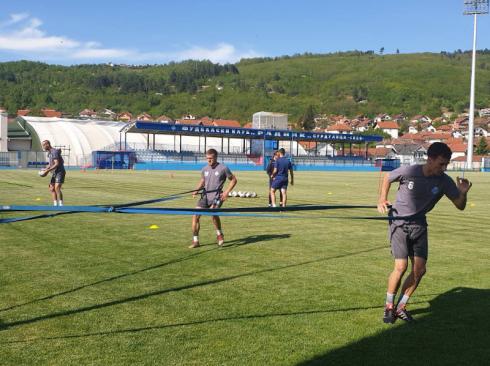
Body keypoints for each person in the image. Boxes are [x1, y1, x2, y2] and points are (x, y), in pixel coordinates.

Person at [377, 142, 472, 323]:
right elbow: (388, 177)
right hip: (399, 223)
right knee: (401, 267)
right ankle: (389, 306)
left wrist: (463, 193)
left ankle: (401, 307)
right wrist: (382, 198)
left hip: (419, 225)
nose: (444, 168)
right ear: (430, 159)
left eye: (446, 164)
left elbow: (460, 206)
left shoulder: (444, 181)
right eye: (441, 163)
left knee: (420, 270)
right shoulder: (410, 171)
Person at [190, 148, 237, 248]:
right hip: (205, 196)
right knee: (195, 216)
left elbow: (233, 180)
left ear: (215, 157)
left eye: (210, 158)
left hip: (217, 196)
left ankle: (219, 234)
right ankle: (195, 241)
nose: (208, 160)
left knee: (212, 212)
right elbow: (203, 181)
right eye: (207, 158)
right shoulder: (204, 169)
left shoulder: (223, 168)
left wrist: (226, 192)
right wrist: (196, 190)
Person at [40, 140, 66, 206]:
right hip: (54, 172)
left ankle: (61, 205)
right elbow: (51, 163)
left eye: (43, 145)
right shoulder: (49, 153)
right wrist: (46, 168)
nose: (43, 147)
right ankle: (55, 205)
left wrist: (47, 171)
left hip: (60, 171)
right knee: (52, 188)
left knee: (57, 187)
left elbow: (57, 164)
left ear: (47, 144)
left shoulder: (54, 152)